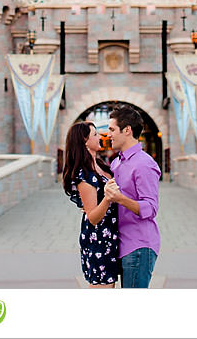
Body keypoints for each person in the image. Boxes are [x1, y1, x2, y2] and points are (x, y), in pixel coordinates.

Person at [105, 106, 161, 288]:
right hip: (121, 243)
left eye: (112, 129)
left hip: (138, 245)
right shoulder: (116, 162)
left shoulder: (144, 164)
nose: (108, 134)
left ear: (127, 130)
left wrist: (120, 198)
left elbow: (151, 208)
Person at [63, 120, 120, 288]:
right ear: (84, 140)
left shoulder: (100, 166)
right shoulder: (84, 173)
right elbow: (93, 217)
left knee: (109, 287)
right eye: (95, 134)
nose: (100, 137)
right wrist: (108, 198)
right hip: (99, 239)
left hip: (110, 236)